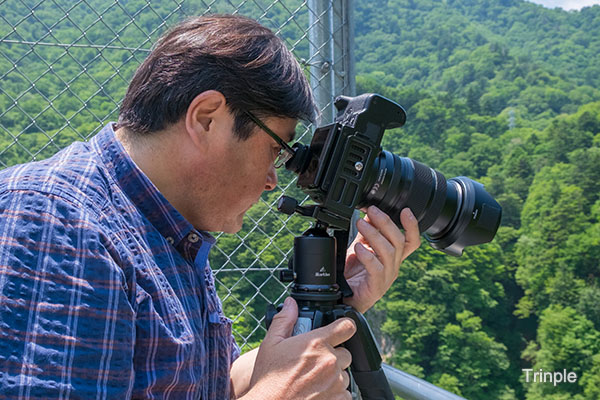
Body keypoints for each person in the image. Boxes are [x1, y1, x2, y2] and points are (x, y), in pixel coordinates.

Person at [0, 14, 420, 400]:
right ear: (206, 118)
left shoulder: (163, 227)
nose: (275, 179)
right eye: (275, 149)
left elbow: (209, 384)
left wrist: (333, 314)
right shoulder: (58, 224)